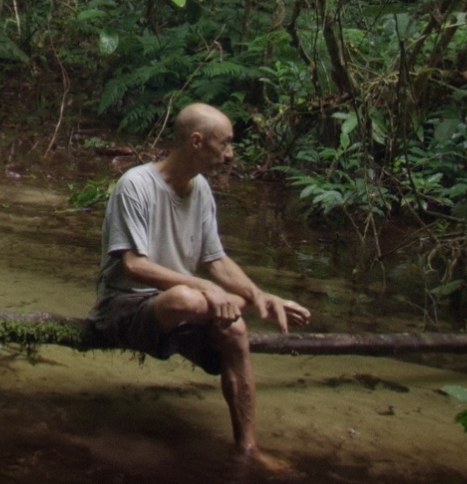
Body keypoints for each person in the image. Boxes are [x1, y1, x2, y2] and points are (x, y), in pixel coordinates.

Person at [88, 102, 310, 470]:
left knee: (236, 331)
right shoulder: (135, 185)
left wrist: (259, 296)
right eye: (224, 144)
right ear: (196, 141)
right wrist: (209, 291)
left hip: (184, 307)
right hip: (124, 308)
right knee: (187, 299)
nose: (230, 154)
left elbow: (215, 260)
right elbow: (133, 264)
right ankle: (217, 304)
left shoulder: (201, 190)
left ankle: (247, 449)